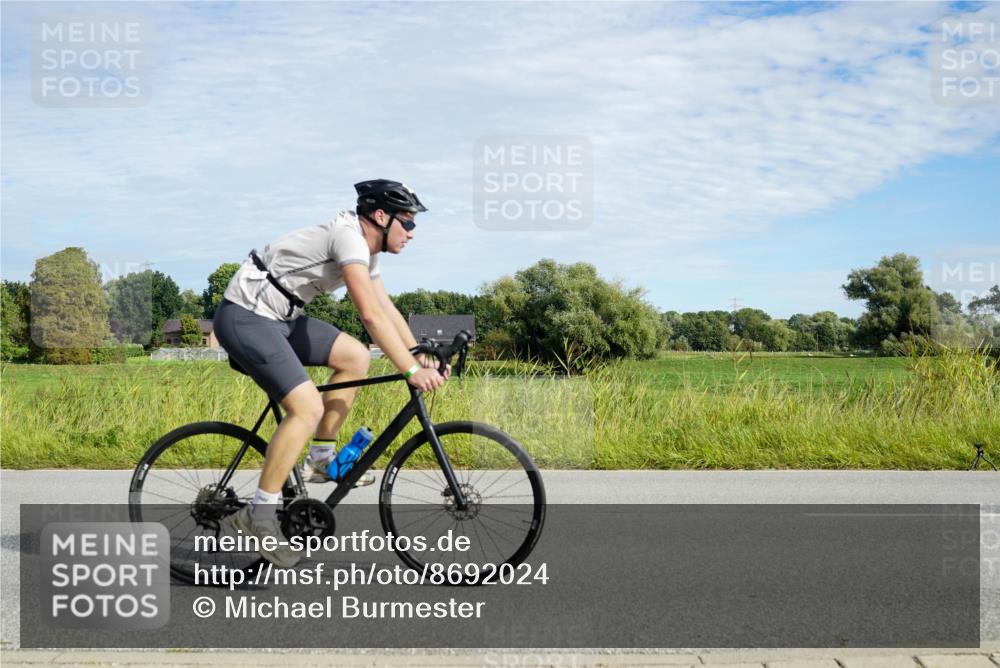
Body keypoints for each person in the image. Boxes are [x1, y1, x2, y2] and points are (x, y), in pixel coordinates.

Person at [213, 179, 447, 567]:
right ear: (381, 216)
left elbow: (385, 307)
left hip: (282, 318)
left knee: (355, 357)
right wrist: (409, 371)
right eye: (407, 222)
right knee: (306, 408)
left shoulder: (367, 252)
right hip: (246, 316)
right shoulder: (349, 239)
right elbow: (369, 316)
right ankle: (259, 514)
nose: (412, 232)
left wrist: (418, 355)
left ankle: (321, 459)